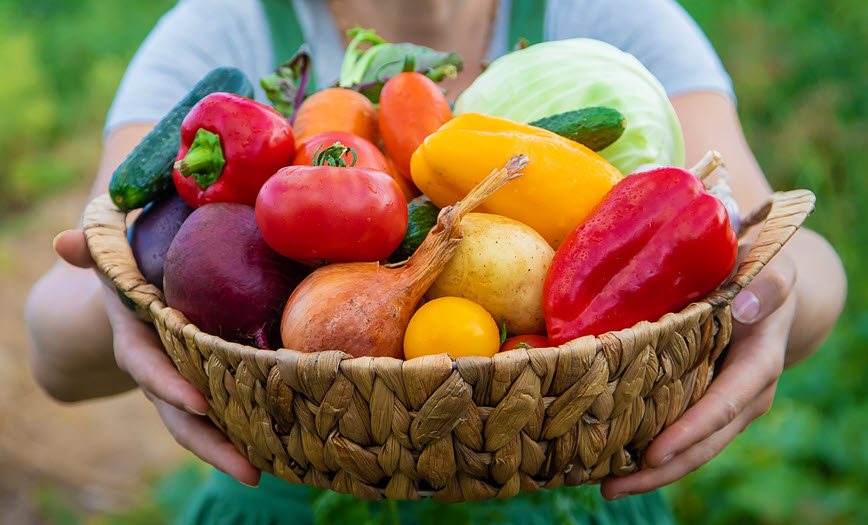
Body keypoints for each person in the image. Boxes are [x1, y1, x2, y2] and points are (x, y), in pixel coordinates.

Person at [26, 0, 846, 522]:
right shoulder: (218, 30)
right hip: (285, 504)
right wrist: (125, 289)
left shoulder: (621, 18)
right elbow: (56, 343)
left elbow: (778, 239)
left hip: (574, 497)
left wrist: (780, 294)